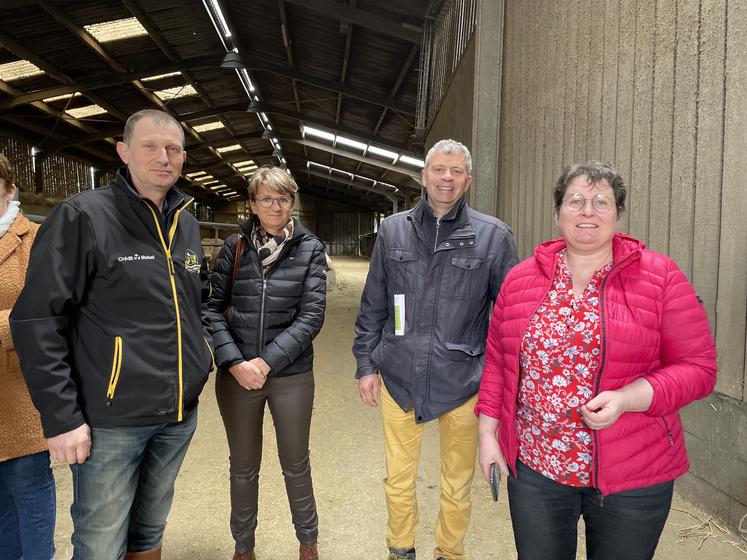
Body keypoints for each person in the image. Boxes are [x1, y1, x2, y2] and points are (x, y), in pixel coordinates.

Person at [475, 162, 717, 560]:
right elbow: (499, 364)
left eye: (601, 201)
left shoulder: (661, 277)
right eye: (576, 201)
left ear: (618, 214)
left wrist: (629, 398)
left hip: (633, 472)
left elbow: (699, 368)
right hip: (538, 469)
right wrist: (488, 437)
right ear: (557, 213)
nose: (588, 211)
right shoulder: (520, 279)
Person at [10, 109, 214, 560]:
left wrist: (203, 361)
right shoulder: (82, 216)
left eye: (173, 149)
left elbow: (196, 301)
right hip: (112, 419)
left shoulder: (188, 223)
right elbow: (37, 320)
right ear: (123, 152)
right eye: (150, 147)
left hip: (178, 413)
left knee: (149, 532)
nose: (164, 157)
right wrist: (61, 417)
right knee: (101, 540)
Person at [353, 139, 518, 560]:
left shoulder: (492, 236)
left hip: (463, 380)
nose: (447, 178)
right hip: (399, 376)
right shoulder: (392, 230)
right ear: (424, 176)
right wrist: (365, 364)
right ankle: (401, 549)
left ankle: (449, 552)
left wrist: (500, 381)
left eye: (456, 171)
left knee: (457, 481)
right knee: (399, 476)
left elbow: (508, 318)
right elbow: (374, 302)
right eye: (439, 170)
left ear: (467, 181)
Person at [207, 166, 326, 560]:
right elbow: (211, 309)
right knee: (242, 467)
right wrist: (236, 363)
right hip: (237, 375)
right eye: (266, 199)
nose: (275, 206)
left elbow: (311, 317)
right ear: (253, 204)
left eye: (283, 198)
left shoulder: (310, 248)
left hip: (290, 375)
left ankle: (307, 542)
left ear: (292, 202)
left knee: (295, 462)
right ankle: (244, 547)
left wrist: (266, 362)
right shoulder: (234, 246)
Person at [0, 153, 55, 560]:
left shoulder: (34, 239)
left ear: (9, 188)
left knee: (28, 488)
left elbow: (44, 309)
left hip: (20, 388)